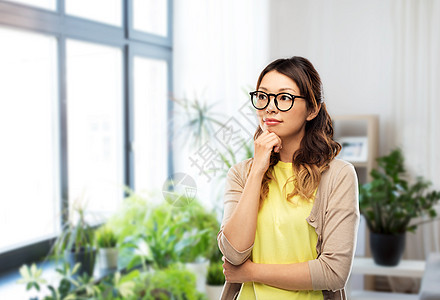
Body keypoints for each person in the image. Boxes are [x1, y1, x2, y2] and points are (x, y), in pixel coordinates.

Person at [217, 56, 359, 300]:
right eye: (262, 96)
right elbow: (234, 253)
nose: (269, 107)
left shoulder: (338, 175)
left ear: (312, 109)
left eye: (284, 97)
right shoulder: (241, 174)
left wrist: (250, 272)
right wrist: (258, 169)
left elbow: (334, 272)